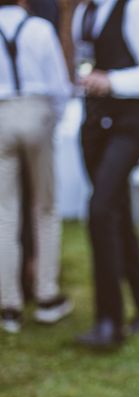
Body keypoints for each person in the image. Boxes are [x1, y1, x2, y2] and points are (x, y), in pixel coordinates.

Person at [72, 0, 139, 348]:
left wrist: (110, 80)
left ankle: (109, 322)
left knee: (99, 211)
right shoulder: (83, 12)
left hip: (128, 127)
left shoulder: (137, 8)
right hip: (93, 127)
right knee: (117, 215)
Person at [0, 0, 73, 333]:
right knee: (44, 208)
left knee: (5, 213)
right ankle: (46, 297)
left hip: (1, 113)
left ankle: (10, 306)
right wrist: (51, 121)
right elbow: (60, 86)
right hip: (36, 110)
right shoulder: (40, 29)